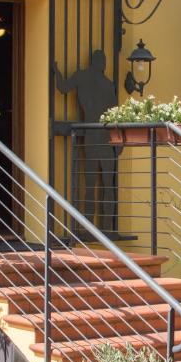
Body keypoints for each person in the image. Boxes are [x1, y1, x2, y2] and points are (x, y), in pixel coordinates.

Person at [54, 50, 120, 231]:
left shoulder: (81, 76)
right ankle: (107, 226)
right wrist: (119, 141)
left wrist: (56, 71)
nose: (105, 64)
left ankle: (89, 225)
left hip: (91, 135)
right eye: (104, 61)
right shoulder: (108, 84)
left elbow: (63, 87)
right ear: (101, 63)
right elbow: (116, 115)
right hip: (105, 137)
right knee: (108, 183)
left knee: (90, 183)